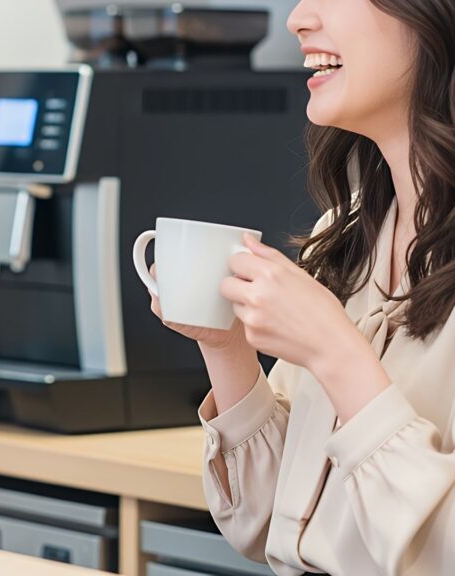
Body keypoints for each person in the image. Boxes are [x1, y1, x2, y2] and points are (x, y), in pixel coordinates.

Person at [148, 0, 455, 574]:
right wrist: (227, 347)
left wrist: (335, 352)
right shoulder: (345, 235)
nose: (296, 19)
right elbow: (266, 523)